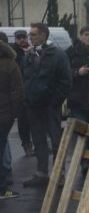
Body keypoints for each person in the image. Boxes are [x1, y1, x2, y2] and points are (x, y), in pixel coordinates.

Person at [21, 23, 71, 187]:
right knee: (39, 140)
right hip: (33, 106)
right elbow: (25, 79)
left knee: (56, 141)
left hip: (50, 107)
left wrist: (54, 102)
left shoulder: (57, 55)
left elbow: (66, 82)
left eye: (33, 34)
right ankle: (41, 173)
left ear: (43, 35)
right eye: (30, 35)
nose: (30, 37)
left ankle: (59, 174)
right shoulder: (29, 55)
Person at [0, 34, 24, 198]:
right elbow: (17, 92)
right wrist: (15, 113)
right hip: (5, 114)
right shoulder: (10, 64)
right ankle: (2, 188)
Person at [12, 30, 33, 156]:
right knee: (23, 121)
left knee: (35, 120)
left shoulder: (33, 50)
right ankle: (27, 145)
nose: (21, 40)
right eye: (19, 38)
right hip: (20, 91)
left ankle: (37, 144)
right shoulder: (13, 53)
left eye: (23, 37)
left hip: (33, 91)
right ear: (16, 39)